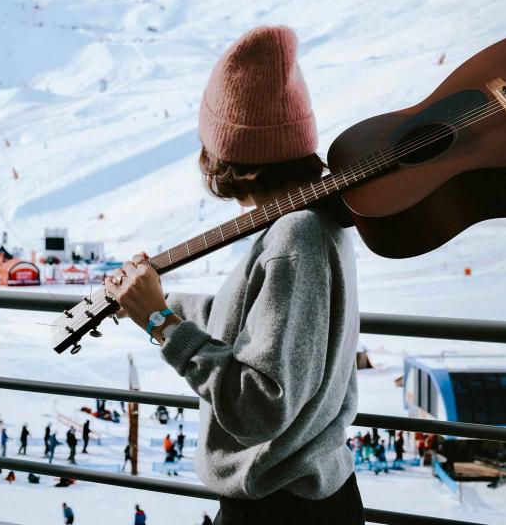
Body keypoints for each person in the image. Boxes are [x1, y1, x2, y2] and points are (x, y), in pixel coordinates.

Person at [105, 26, 365, 524]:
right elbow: (253, 324)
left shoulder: (295, 239)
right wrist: (155, 302)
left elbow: (258, 409)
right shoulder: (312, 223)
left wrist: (163, 325)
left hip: (282, 509)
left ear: (227, 149)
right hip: (306, 497)